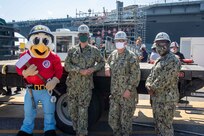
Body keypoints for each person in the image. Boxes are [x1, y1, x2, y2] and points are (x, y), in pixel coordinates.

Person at [16, 25, 63, 136]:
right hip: (31, 90)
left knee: (49, 111)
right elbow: (18, 67)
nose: (41, 45)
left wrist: (55, 80)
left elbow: (59, 70)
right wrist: (25, 73)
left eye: (45, 41)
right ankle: (26, 129)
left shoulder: (53, 57)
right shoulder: (26, 55)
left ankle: (49, 128)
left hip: (46, 90)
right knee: (29, 112)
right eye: (36, 40)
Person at [64, 24, 105, 136]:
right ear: (78, 36)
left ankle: (82, 133)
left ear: (88, 35)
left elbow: (102, 62)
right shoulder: (72, 50)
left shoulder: (94, 50)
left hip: (86, 86)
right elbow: (67, 65)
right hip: (72, 85)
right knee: (72, 111)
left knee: (83, 111)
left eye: (85, 34)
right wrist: (78, 70)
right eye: (81, 34)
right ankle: (77, 130)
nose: (83, 36)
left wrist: (93, 69)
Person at [105, 31, 141, 136]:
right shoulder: (113, 54)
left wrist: (129, 89)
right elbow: (107, 61)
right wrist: (107, 67)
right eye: (117, 41)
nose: (119, 43)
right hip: (115, 94)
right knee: (112, 119)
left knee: (125, 122)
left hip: (126, 95)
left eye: (121, 41)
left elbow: (135, 75)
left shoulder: (131, 57)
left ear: (125, 42)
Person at [145, 32, 181, 136]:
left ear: (168, 44)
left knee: (165, 127)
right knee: (157, 125)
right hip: (157, 98)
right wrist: (147, 84)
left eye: (163, 43)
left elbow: (165, 79)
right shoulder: (159, 60)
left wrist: (152, 87)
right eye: (158, 43)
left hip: (167, 100)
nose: (161, 46)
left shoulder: (173, 60)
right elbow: (152, 75)